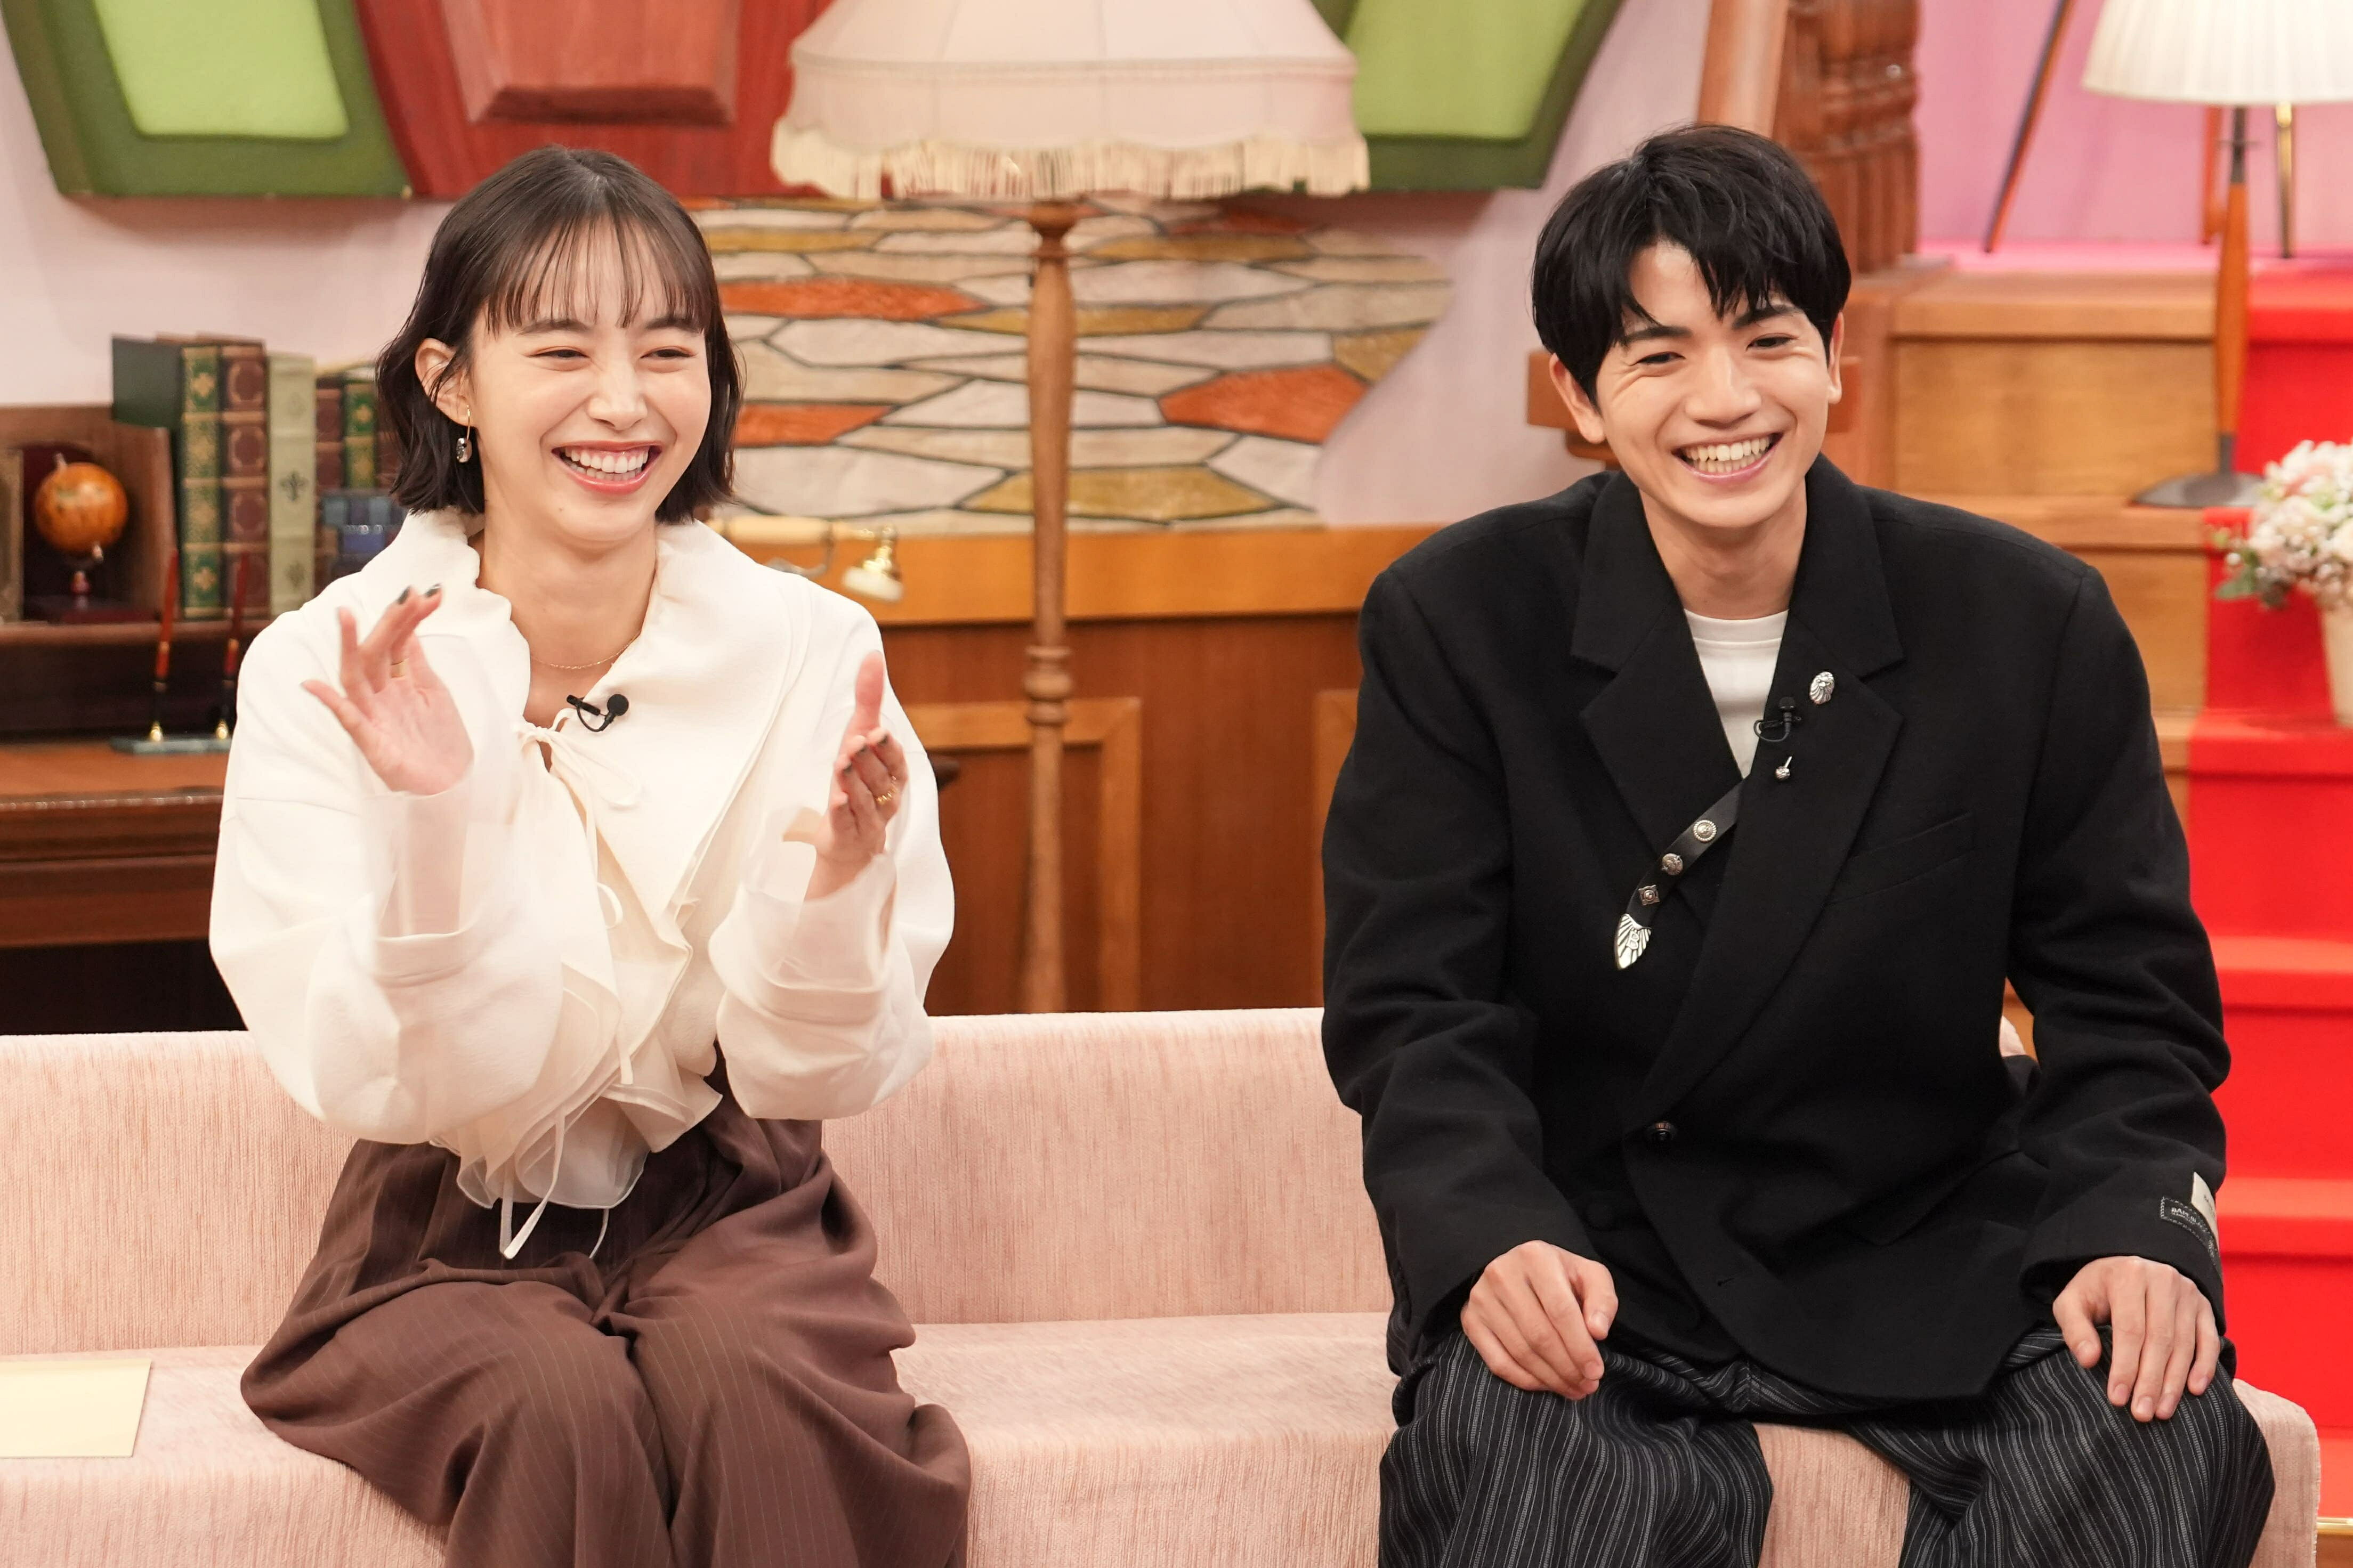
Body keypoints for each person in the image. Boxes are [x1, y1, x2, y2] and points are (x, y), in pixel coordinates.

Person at [1321, 125, 2275, 1568]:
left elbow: (2131, 1004)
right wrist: (1488, 1233)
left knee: (2160, 1432)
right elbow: (1415, 1007)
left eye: (1768, 338)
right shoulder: (1460, 620)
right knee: (1534, 1487)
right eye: (1658, 356)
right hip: (1597, 1255)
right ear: (1578, 395)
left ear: (1837, 356)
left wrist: (2138, 1229)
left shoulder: (2024, 620)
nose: (1726, 399)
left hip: (1927, 1232)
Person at [210, 146, 967, 1568]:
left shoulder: (814, 650)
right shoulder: (326, 667)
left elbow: (816, 1077)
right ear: (450, 382)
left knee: (752, 1390)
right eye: (561, 350)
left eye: (669, 351)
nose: (624, 402)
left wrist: (831, 893)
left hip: (735, 1206)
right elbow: (395, 1082)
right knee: (556, 1410)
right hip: (444, 1226)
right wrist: (437, 829)